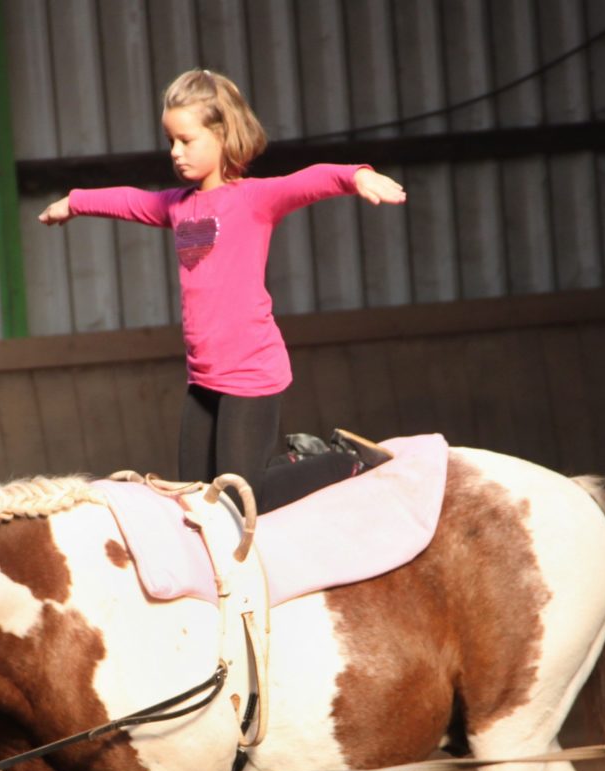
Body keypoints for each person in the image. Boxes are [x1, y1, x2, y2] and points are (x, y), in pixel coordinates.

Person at [38, 68, 406, 512]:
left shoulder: (253, 200)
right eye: (170, 141)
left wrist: (356, 176)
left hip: (250, 374)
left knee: (245, 497)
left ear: (223, 134)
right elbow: (129, 200)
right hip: (204, 377)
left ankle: (341, 461)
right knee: (196, 501)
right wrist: (74, 203)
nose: (175, 153)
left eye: (186, 140)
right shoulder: (178, 206)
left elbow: (305, 182)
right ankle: (297, 458)